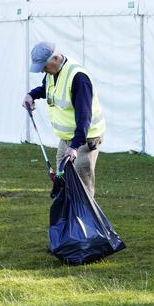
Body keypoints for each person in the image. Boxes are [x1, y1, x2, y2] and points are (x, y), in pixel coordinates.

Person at [22, 42, 106, 197]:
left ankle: (84, 219)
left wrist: (74, 146)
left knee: (81, 186)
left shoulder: (78, 78)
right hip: (66, 139)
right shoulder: (52, 74)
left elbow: (84, 116)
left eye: (44, 67)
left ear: (55, 58)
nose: (42, 71)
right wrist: (31, 95)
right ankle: (66, 218)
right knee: (62, 179)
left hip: (85, 139)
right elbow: (46, 89)